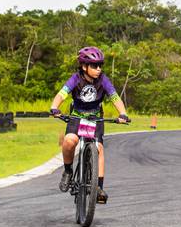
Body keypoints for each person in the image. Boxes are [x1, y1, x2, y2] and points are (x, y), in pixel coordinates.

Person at [50, 46, 129, 204]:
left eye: (100, 65)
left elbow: (115, 97)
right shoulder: (75, 78)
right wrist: (54, 107)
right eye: (94, 65)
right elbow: (61, 94)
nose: (98, 69)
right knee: (69, 141)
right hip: (77, 116)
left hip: (95, 118)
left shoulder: (103, 80)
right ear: (84, 66)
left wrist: (123, 113)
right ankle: (68, 171)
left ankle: (98, 188)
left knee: (98, 148)